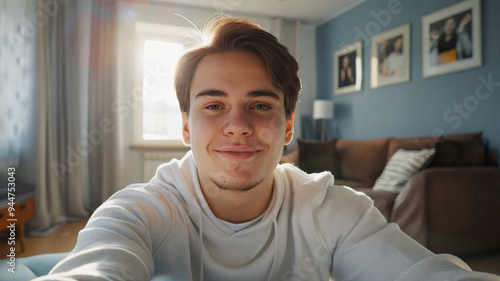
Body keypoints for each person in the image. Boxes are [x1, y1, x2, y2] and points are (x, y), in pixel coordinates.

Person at [34, 16, 499, 281]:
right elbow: (97, 266)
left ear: (289, 125)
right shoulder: (139, 210)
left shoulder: (332, 209)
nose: (237, 126)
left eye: (259, 104)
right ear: (184, 126)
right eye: (214, 105)